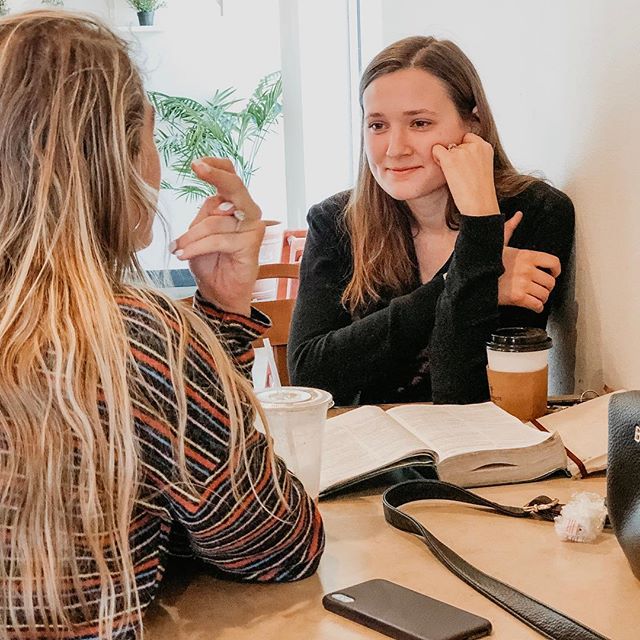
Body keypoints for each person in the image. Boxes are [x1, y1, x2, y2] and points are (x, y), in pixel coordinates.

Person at [0, 11, 323, 640]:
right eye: (152, 137)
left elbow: (159, 458)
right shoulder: (136, 338)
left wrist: (220, 313)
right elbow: (275, 545)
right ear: (112, 159)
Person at [289, 36, 575, 406]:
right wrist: (475, 280)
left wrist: (480, 219)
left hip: (482, 451)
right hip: (369, 451)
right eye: (377, 125)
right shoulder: (336, 222)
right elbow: (310, 376)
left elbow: (461, 392)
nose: (395, 148)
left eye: (420, 123)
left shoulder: (535, 211)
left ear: (473, 124)